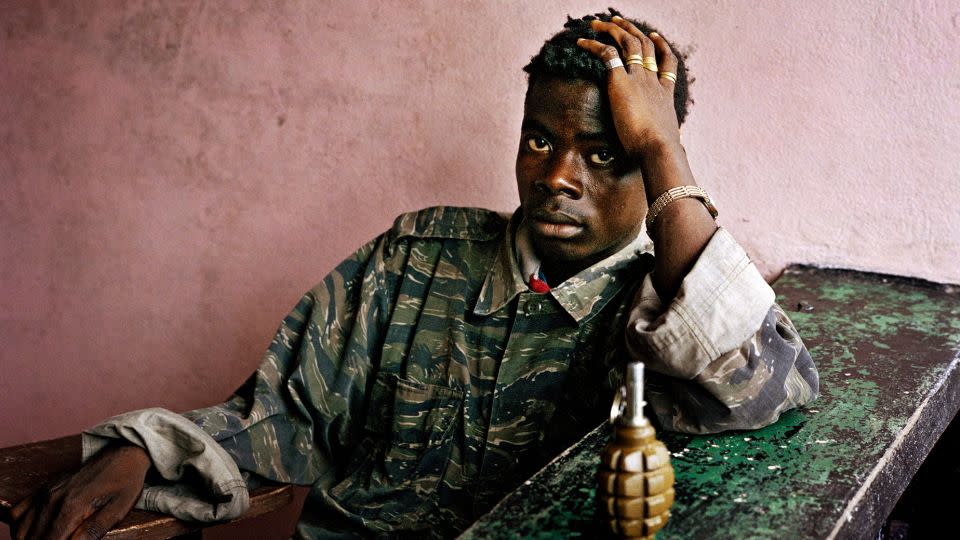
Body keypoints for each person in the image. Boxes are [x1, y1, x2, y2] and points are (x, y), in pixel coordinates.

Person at [11, 8, 818, 539]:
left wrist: (665, 150)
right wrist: (147, 451)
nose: (558, 176)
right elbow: (288, 412)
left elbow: (767, 381)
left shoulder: (658, 312)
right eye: (540, 140)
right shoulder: (420, 256)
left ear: (651, 168)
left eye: (606, 155)